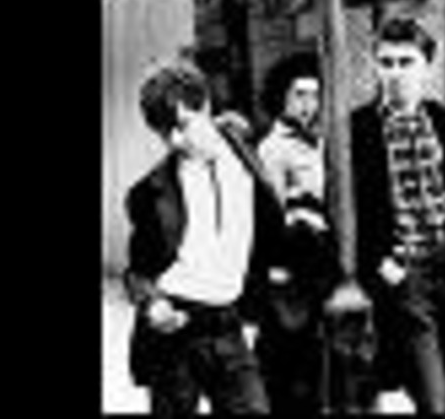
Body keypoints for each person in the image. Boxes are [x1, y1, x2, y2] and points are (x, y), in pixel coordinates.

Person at [121, 62, 284, 415]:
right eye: (165, 133)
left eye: (182, 126)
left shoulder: (244, 150)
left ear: (205, 107)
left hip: (229, 324)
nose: (176, 141)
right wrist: (153, 304)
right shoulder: (150, 192)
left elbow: (270, 218)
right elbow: (137, 273)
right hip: (174, 330)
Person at [350, 17, 445, 416]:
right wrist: (380, 263)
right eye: (386, 62)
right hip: (406, 274)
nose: (394, 73)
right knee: (433, 397)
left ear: (427, 66)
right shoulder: (357, 129)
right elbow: (347, 208)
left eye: (406, 62)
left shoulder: (443, 121)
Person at [255, 52, 339, 414]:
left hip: (322, 262)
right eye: (299, 94)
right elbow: (272, 216)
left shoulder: (321, 140)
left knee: (317, 357)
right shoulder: (272, 148)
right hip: (292, 266)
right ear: (282, 97)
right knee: (289, 355)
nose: (308, 103)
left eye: (314, 95)